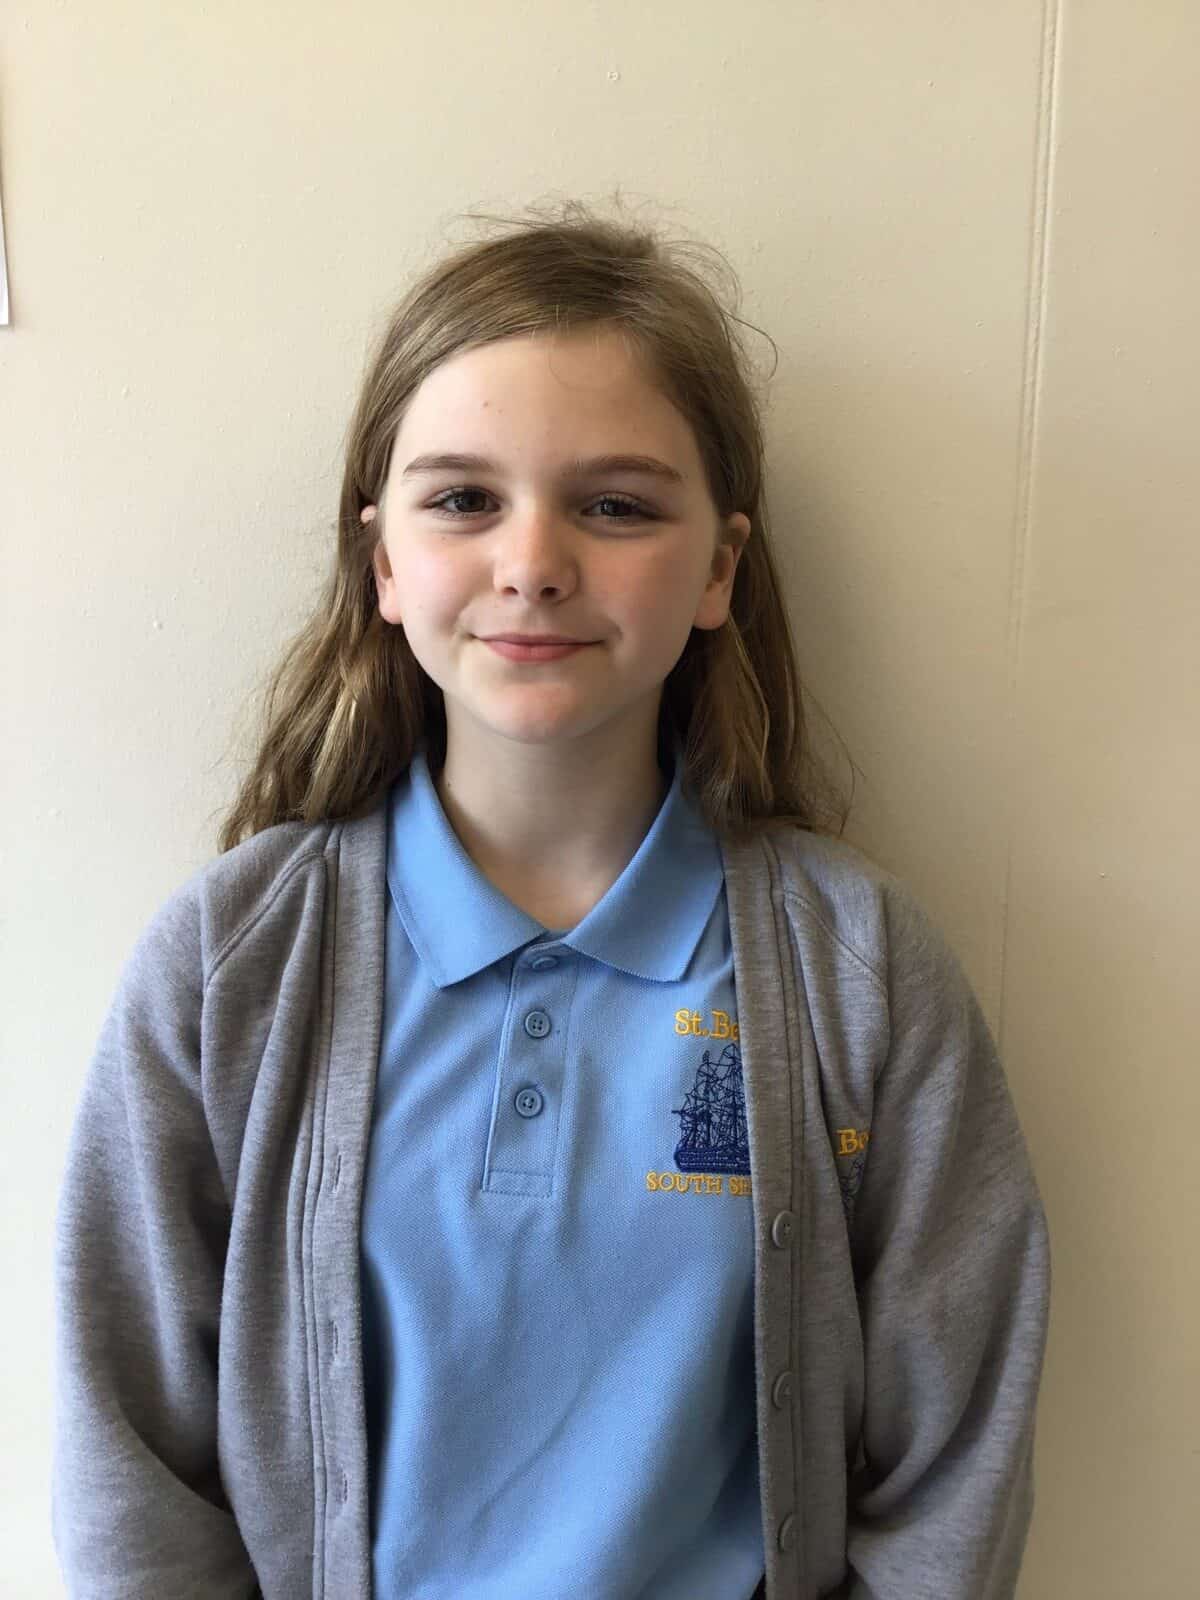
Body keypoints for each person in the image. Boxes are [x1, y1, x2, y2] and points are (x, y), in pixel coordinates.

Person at [51, 195, 1051, 1600]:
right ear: (383, 561)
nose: (532, 564)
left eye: (615, 505)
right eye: (464, 499)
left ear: (717, 568)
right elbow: (129, 1460)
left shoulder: (858, 969)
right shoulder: (234, 964)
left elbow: (956, 1461)